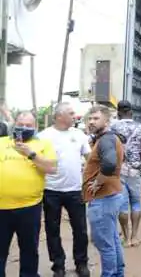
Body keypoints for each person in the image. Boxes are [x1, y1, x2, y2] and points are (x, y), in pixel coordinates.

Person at [0, 111, 57, 277]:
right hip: (1, 208)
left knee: (29, 249)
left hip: (29, 208)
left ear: (35, 127)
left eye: (28, 125)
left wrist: (30, 154)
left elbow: (52, 168)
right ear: (14, 124)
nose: (23, 128)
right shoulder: (2, 142)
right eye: (20, 124)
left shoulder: (43, 144)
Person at [39, 103, 92, 277]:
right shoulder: (44, 136)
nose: (74, 116)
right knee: (52, 229)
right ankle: (58, 265)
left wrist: (91, 180)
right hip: (51, 190)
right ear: (59, 116)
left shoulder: (79, 135)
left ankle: (81, 263)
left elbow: (89, 158)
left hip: (75, 190)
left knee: (80, 229)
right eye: (71, 113)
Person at [83, 105, 125, 277]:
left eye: (96, 119)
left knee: (104, 243)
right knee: (112, 240)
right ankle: (118, 273)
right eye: (90, 119)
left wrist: (97, 182)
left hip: (103, 198)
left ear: (107, 121)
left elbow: (109, 165)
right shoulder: (105, 139)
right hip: (110, 196)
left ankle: (109, 274)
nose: (91, 122)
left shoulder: (107, 139)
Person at [111, 101, 141, 248]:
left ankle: (126, 239)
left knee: (122, 205)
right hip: (135, 170)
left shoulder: (113, 127)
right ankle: (135, 237)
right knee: (135, 202)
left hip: (118, 170)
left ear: (118, 112)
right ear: (132, 112)